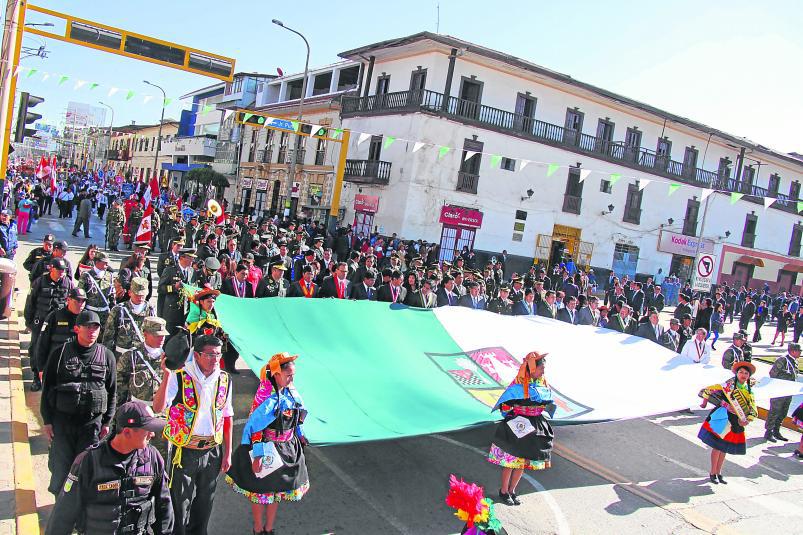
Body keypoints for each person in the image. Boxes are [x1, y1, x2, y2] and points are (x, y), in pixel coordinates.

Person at [45, 401, 174, 535]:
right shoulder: (88, 462)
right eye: (147, 429)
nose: (152, 434)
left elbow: (164, 507)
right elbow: (64, 514)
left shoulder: (152, 458)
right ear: (127, 432)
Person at [153, 334, 233, 535]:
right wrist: (165, 376)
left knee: (206, 501)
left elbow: (227, 416)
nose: (215, 359)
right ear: (196, 355)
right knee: (180, 502)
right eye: (210, 355)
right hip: (185, 451)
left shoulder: (224, 379)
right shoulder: (180, 376)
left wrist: (228, 453)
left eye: (218, 354)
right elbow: (158, 407)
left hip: (212, 450)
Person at [226, 353, 309, 535]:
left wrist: (299, 435)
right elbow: (255, 428)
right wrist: (258, 455)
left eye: (293, 375)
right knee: (260, 492)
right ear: (277, 374)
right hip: (267, 448)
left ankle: (269, 528)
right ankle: (258, 528)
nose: (292, 379)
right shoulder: (266, 396)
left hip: (286, 448)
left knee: (276, 492)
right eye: (289, 375)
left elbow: (296, 416)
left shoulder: (290, 392)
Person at [40, 310, 117, 496]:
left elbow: (112, 391)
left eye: (96, 328)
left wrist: (107, 422)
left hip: (91, 425)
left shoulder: (107, 356)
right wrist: (47, 421)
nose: (92, 331)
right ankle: (60, 507)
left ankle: (80, 512)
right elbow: (47, 389)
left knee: (86, 469)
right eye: (88, 327)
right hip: (63, 423)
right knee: (61, 468)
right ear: (76, 328)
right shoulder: (59, 354)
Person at [488, 351, 554, 506]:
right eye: (541, 369)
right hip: (517, 426)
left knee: (522, 461)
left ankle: (512, 490)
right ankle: (504, 491)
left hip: (533, 427)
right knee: (511, 461)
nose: (543, 372)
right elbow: (505, 405)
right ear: (532, 369)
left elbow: (549, 403)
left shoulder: (542, 383)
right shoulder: (518, 385)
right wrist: (516, 413)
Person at [698, 361, 757, 484]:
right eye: (741, 372)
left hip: (736, 422)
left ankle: (719, 472)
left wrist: (748, 420)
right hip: (724, 418)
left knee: (724, 448)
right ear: (736, 373)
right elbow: (709, 390)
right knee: (717, 446)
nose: (743, 375)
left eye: (746, 373)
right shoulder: (728, 386)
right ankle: (712, 472)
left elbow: (753, 408)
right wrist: (707, 403)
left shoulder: (749, 390)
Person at [25, 257, 74, 391]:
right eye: (59, 270)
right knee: (36, 349)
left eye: (64, 270)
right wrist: (29, 321)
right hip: (40, 321)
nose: (62, 273)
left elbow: (73, 302)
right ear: (51, 269)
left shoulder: (68, 283)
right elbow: (30, 303)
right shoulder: (40, 282)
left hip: (59, 323)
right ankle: (36, 377)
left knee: (58, 350)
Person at [35, 288, 86, 375]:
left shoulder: (87, 318)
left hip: (78, 366)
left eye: (83, 301)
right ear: (68, 300)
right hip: (57, 364)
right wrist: (41, 368)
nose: (80, 304)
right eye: (77, 300)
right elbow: (42, 343)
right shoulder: (54, 316)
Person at [764, 343, 800, 443]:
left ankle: (776, 430)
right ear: (793, 351)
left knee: (783, 411)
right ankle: (769, 431)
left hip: (788, 391)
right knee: (774, 411)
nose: (800, 353)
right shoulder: (783, 360)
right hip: (779, 390)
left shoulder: (794, 361)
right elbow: (773, 373)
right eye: (799, 351)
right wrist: (781, 383)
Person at [158, 249, 197, 335]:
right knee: (169, 336)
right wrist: (173, 287)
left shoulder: (192, 271)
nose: (192, 260)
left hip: (186, 312)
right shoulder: (170, 270)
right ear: (182, 258)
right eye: (190, 258)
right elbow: (160, 288)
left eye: (193, 258)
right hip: (172, 311)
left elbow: (194, 287)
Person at [78, 250, 115, 330]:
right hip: (91, 313)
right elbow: (81, 296)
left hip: (105, 314)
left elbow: (112, 296)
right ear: (97, 262)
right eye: (104, 262)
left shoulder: (110, 276)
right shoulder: (86, 276)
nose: (107, 264)